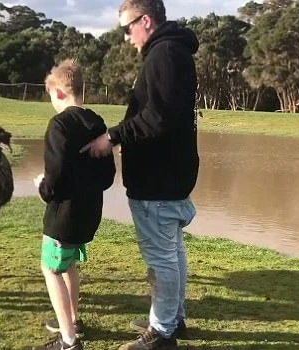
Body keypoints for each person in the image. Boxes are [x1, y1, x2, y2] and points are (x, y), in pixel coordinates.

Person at [81, 0, 199, 349]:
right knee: (172, 251)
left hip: (158, 177)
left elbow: (157, 118)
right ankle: (171, 319)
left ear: (145, 20)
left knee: (162, 257)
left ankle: (162, 333)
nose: (126, 37)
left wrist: (112, 137)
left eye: (127, 28)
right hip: (170, 173)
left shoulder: (164, 54)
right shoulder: (172, 51)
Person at [27, 59, 116, 350]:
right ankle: (73, 320)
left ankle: (68, 340)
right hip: (89, 211)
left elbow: (54, 177)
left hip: (62, 215)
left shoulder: (59, 124)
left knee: (50, 268)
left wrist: (42, 186)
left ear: (60, 93)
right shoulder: (98, 123)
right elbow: (107, 176)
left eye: (51, 95)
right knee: (70, 265)